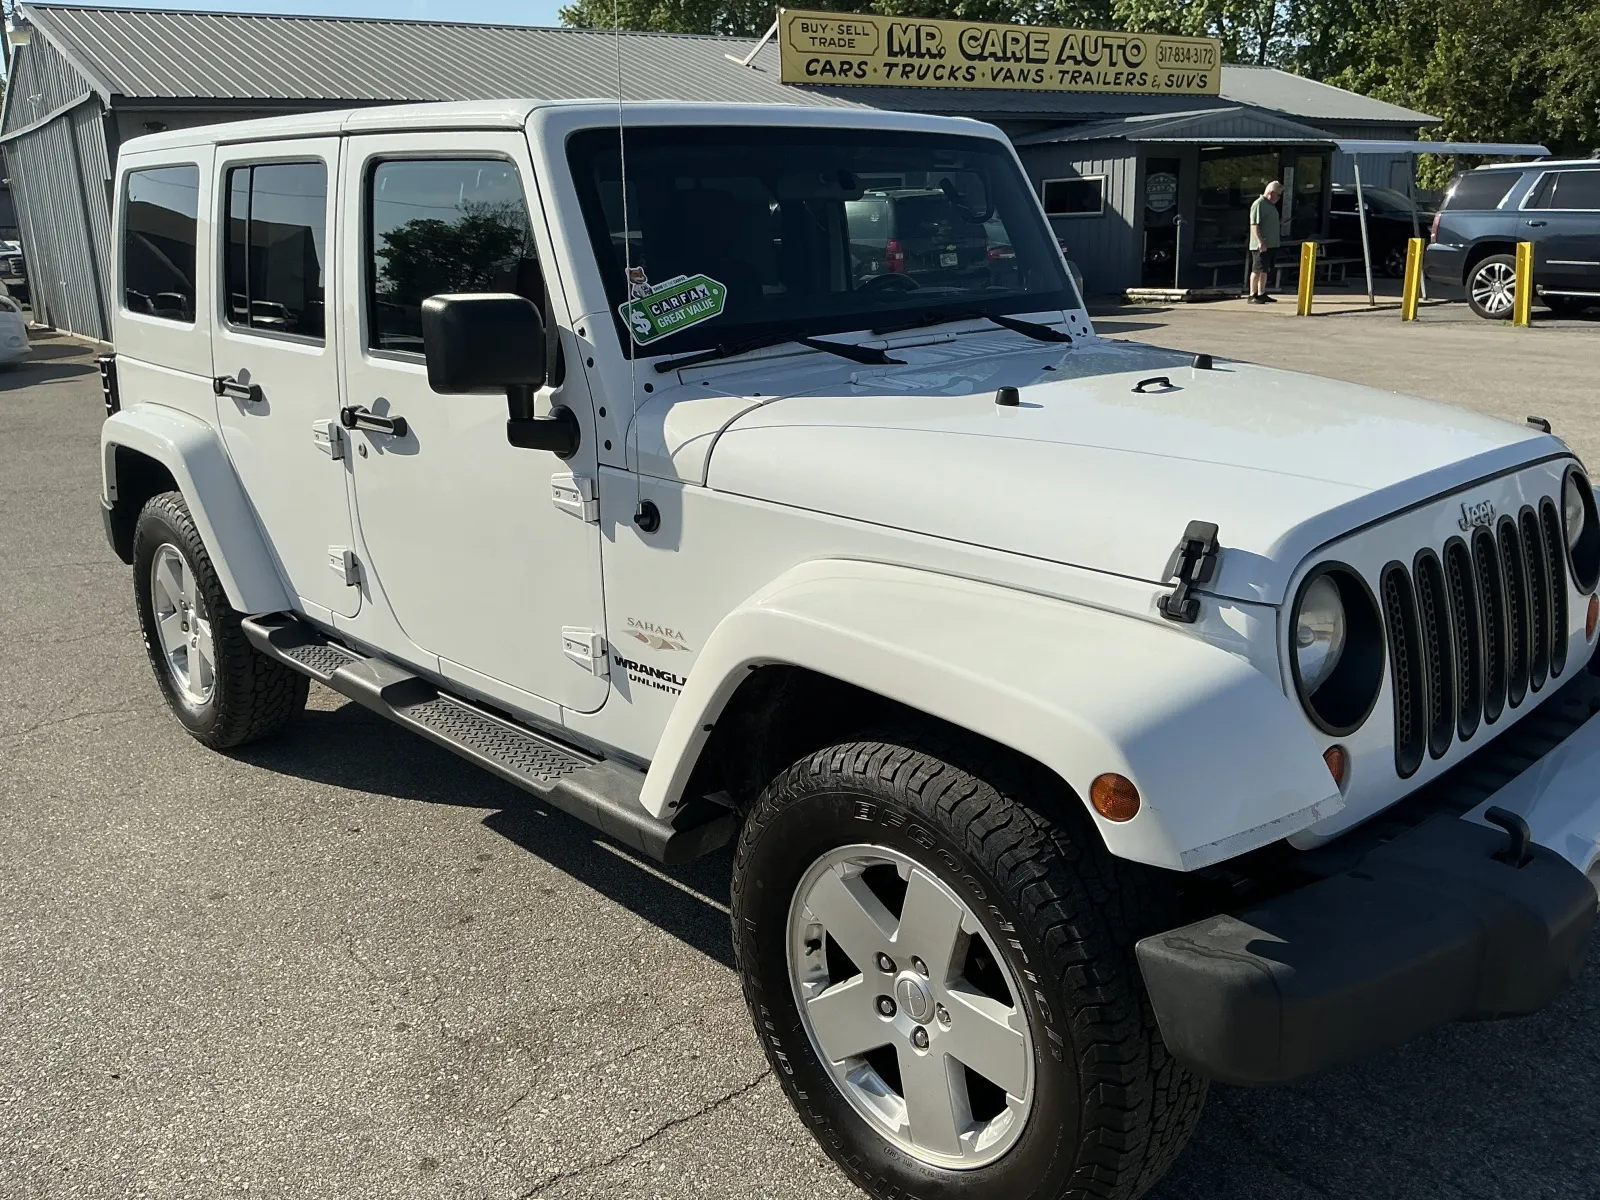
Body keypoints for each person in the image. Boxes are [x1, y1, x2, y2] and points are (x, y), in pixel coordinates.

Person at [1247, 181, 1284, 303]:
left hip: (1271, 244)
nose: (1279, 198)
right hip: (1261, 244)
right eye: (1278, 195)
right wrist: (1260, 241)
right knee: (1257, 269)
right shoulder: (1259, 204)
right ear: (1271, 193)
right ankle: (1252, 294)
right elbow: (1254, 224)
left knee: (1265, 270)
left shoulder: (1270, 205)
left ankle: (1261, 292)